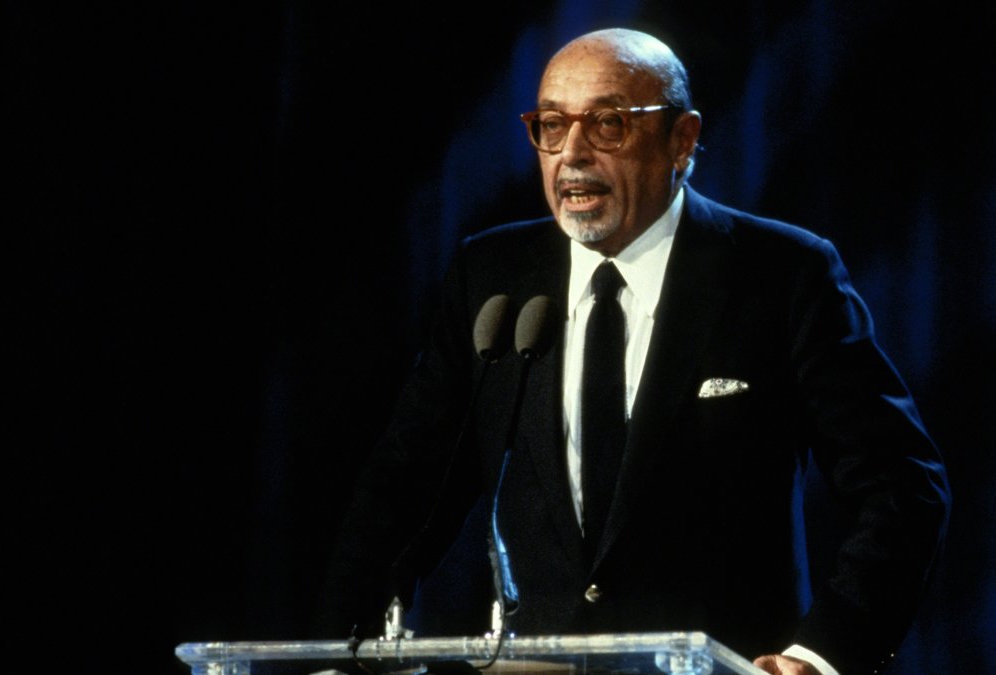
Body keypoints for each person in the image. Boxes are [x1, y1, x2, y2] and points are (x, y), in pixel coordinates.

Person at [317, 28, 950, 675]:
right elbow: (402, 495)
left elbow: (903, 487)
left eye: (608, 124)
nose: (572, 154)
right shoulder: (492, 277)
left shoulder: (782, 275)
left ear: (683, 140)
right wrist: (345, 652)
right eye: (551, 126)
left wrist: (821, 654)